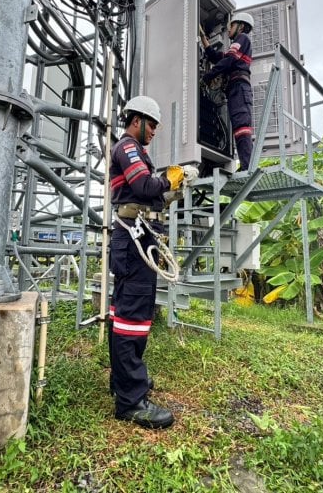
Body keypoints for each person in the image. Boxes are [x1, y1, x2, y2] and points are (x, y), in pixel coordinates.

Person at [108, 95, 183, 430]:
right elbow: (142, 184)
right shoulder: (128, 147)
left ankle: (124, 380)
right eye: (151, 124)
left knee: (126, 312)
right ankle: (131, 401)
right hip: (134, 238)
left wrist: (171, 191)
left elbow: (146, 192)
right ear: (136, 120)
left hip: (138, 237)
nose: (154, 130)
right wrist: (170, 179)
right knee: (132, 317)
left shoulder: (136, 151)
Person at [200, 12, 255, 172]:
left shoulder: (242, 38)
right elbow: (217, 57)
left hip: (239, 88)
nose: (229, 28)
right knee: (239, 128)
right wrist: (203, 38)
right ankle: (246, 165)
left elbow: (228, 61)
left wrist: (208, 76)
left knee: (241, 127)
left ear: (241, 26)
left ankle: (247, 167)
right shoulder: (237, 45)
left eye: (232, 25)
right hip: (235, 90)